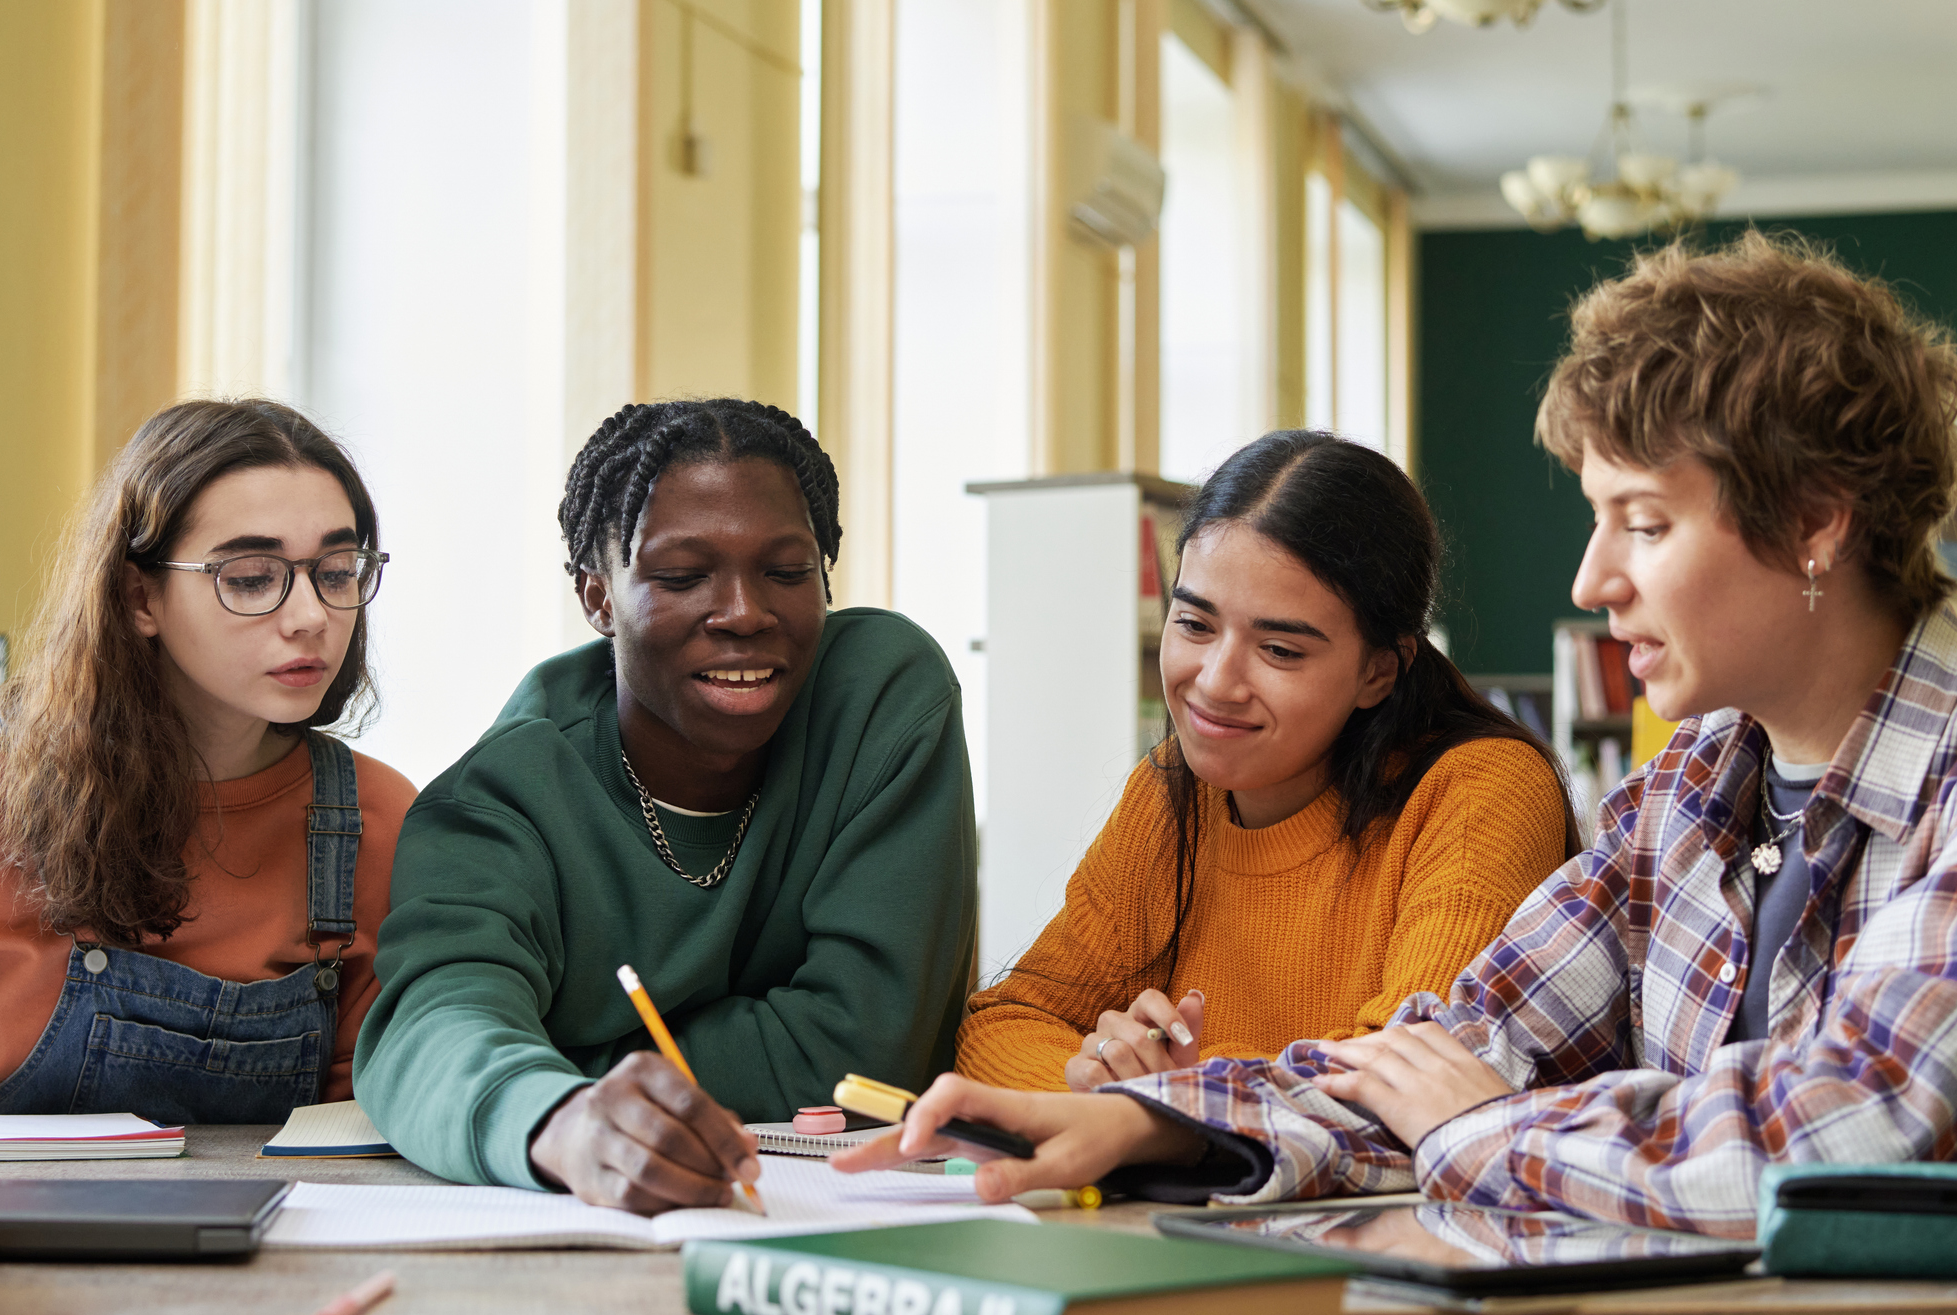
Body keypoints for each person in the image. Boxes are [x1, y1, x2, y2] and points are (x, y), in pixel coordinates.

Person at [838, 230, 1957, 1240]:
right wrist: (1150, 1125)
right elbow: (1451, 1048)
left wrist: (1489, 1127)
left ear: (1816, 520)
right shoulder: (1688, 789)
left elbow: (1839, 1133)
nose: (1591, 579)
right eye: (1595, 516)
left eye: (1647, 523)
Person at [356, 398, 975, 1213]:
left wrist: (564, 1053)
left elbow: (864, 1051)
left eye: (786, 573)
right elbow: (431, 1026)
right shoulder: (501, 797)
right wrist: (564, 1118)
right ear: (597, 596)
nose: (744, 613)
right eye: (682, 577)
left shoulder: (883, 699)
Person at [0, 399, 414, 1123]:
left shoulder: (383, 821)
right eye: (251, 577)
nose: (309, 616)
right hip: (0, 1232)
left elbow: (372, 1127)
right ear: (141, 596)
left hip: (284, 1230)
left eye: (336, 570)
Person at [959, 432, 1577, 1094]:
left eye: (1279, 649)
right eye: (1194, 625)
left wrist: (1185, 1099)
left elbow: (1413, 1076)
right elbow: (1005, 1024)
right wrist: (1113, 1090)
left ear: (1377, 672)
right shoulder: (1173, 792)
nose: (1215, 682)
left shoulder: (1480, 790)